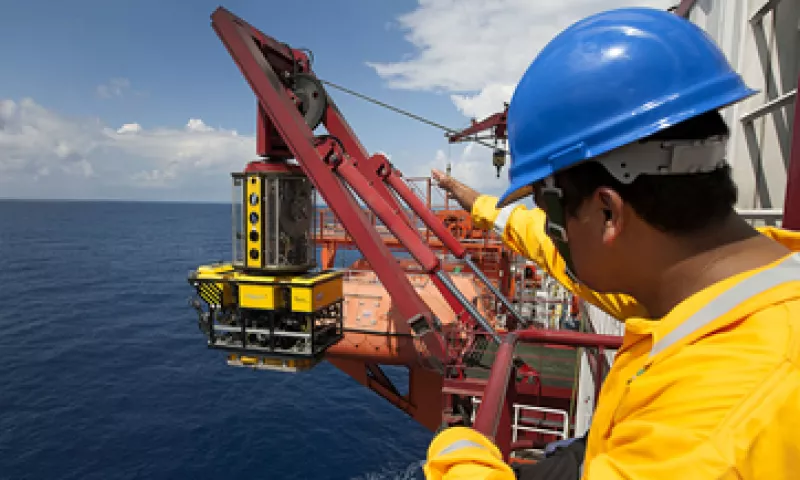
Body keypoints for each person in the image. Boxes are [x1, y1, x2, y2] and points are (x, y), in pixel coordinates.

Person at [422, 6, 800, 480]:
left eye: (550, 208)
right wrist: (481, 206)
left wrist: (455, 449)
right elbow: (550, 246)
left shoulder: (716, 431)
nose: (551, 229)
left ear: (607, 212)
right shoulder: (735, 286)